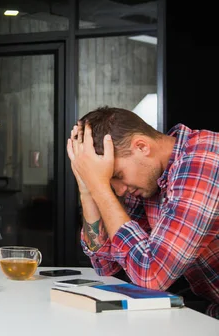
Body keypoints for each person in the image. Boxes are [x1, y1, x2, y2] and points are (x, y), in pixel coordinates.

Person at [66, 106, 218, 318]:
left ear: (141, 146)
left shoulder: (204, 160)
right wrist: (88, 190)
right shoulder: (151, 179)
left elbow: (151, 275)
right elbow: (108, 267)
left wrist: (99, 187)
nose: (119, 190)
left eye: (117, 175)